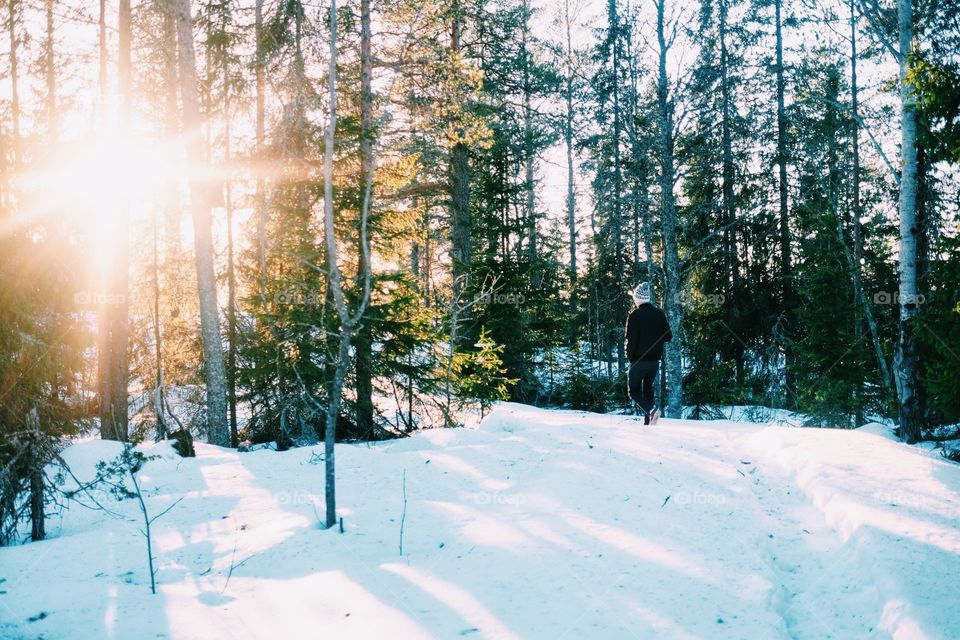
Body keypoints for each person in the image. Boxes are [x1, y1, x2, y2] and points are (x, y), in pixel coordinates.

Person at [625, 282, 672, 424]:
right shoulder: (659, 314)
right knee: (647, 391)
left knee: (633, 392)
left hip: (639, 361)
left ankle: (651, 411)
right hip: (654, 362)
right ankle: (649, 422)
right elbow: (668, 336)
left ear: (637, 299)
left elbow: (631, 340)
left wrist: (630, 358)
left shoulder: (634, 315)